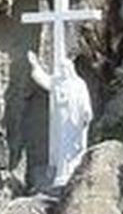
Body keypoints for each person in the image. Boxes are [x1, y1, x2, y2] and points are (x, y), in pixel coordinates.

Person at [28, 49, 93, 189]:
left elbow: (85, 101)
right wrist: (35, 65)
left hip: (75, 120)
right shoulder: (57, 82)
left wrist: (87, 113)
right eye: (61, 68)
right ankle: (62, 173)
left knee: (73, 146)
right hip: (62, 120)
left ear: (71, 69)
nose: (63, 71)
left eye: (66, 68)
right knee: (63, 146)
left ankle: (73, 171)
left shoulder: (79, 84)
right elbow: (44, 80)